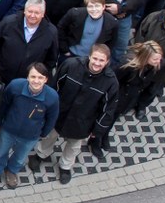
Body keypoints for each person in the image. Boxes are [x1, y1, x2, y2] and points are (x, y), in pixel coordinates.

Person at [38, 46, 118, 184]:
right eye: (95, 58)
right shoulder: (71, 65)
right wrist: (48, 109)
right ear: (89, 56)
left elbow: (108, 109)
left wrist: (97, 130)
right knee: (49, 136)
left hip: (84, 121)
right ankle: (41, 154)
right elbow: (55, 87)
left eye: (101, 60)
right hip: (60, 113)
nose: (97, 63)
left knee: (74, 146)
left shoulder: (110, 82)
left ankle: (65, 166)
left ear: (107, 61)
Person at [0, 63, 59, 190]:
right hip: (8, 130)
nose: (36, 81)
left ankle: (11, 171)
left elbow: (52, 118)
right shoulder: (15, 86)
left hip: (30, 136)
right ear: (27, 77)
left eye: (40, 77)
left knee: (20, 157)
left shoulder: (52, 97)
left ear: (46, 79)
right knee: (0, 152)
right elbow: (3, 105)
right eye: (33, 76)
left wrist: (44, 133)